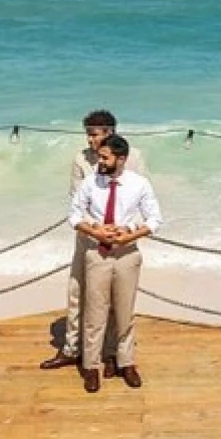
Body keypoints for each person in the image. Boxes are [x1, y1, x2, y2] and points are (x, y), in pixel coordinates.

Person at [41, 110, 149, 371]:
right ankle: (72, 348)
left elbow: (140, 196)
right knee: (77, 291)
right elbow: (78, 201)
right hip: (88, 235)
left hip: (121, 236)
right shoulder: (81, 159)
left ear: (110, 133)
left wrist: (125, 230)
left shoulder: (133, 157)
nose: (89, 140)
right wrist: (96, 230)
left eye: (94, 134)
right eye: (87, 134)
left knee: (115, 296)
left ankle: (111, 353)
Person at [67, 133, 161, 393]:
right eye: (99, 155)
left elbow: (154, 219)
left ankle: (126, 362)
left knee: (124, 312)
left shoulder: (138, 184)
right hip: (97, 252)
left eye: (105, 157)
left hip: (127, 253)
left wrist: (130, 234)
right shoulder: (90, 183)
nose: (100, 160)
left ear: (121, 159)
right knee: (94, 313)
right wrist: (94, 231)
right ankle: (92, 366)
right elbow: (74, 215)